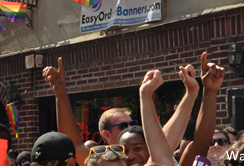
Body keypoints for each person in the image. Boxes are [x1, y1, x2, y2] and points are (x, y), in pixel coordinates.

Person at [43, 56, 199, 166]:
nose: (130, 128)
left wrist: (191, 94)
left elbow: (164, 144)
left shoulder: (153, 159)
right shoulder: (102, 163)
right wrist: (60, 94)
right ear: (106, 136)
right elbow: (75, 144)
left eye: (132, 123)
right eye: (123, 126)